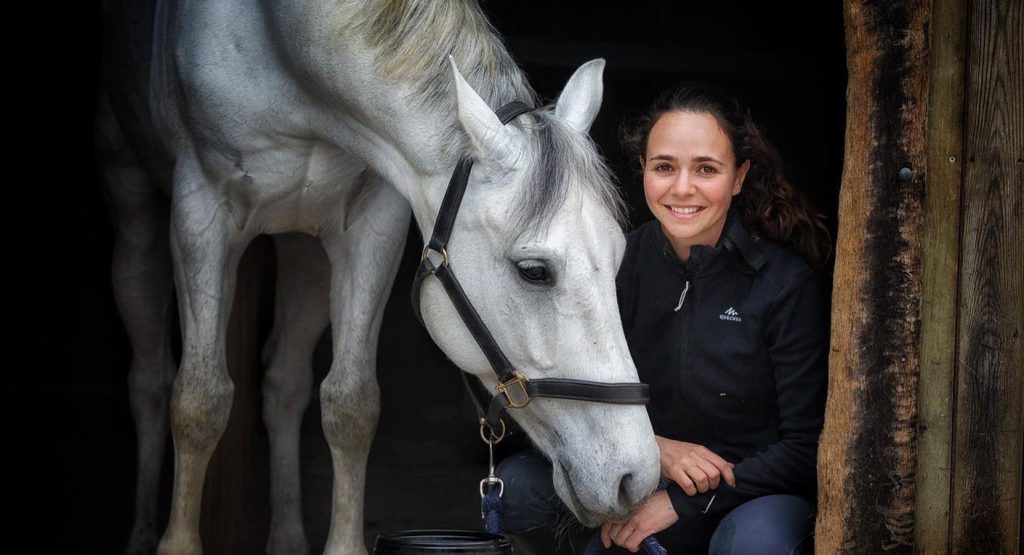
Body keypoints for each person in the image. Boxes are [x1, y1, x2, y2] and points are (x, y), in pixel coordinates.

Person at [495, 82, 832, 555]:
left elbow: (806, 448)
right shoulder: (615, 262)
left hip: (750, 494)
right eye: (665, 167)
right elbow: (559, 391)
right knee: (518, 489)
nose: (682, 188)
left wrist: (684, 502)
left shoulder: (783, 283)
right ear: (643, 171)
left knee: (756, 543)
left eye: (706, 169)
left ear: (739, 177)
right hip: (640, 466)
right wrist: (659, 452)